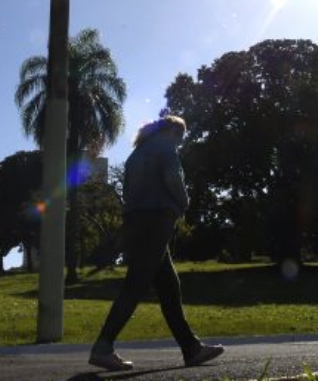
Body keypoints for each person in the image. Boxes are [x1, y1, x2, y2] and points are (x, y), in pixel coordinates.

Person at [88, 115, 225, 372]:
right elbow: (174, 177)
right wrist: (183, 204)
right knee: (136, 284)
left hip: (137, 221)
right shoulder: (165, 147)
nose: (180, 142)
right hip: (157, 220)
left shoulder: (136, 154)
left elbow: (128, 194)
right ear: (172, 131)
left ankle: (191, 348)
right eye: (180, 136)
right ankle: (103, 346)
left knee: (169, 287)